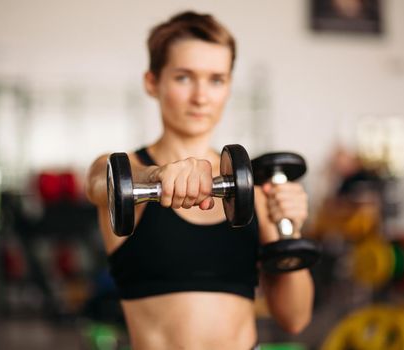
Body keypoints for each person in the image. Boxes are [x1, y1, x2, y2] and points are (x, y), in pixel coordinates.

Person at [86, 11, 314, 349]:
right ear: (152, 82)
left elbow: (294, 318)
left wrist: (289, 228)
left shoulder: (253, 187)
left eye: (216, 79)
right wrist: (156, 176)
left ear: (229, 87)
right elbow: (97, 183)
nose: (201, 97)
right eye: (183, 78)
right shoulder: (125, 172)